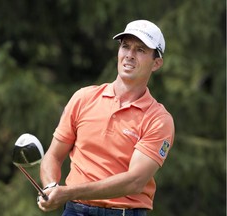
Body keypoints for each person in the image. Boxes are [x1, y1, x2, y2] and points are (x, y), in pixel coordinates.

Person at [38, 19, 175, 216]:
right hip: (74, 211)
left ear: (156, 63)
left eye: (140, 50)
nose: (129, 55)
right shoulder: (83, 98)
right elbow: (53, 155)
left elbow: (134, 182)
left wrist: (67, 192)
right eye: (125, 46)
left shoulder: (158, 119)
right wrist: (51, 187)